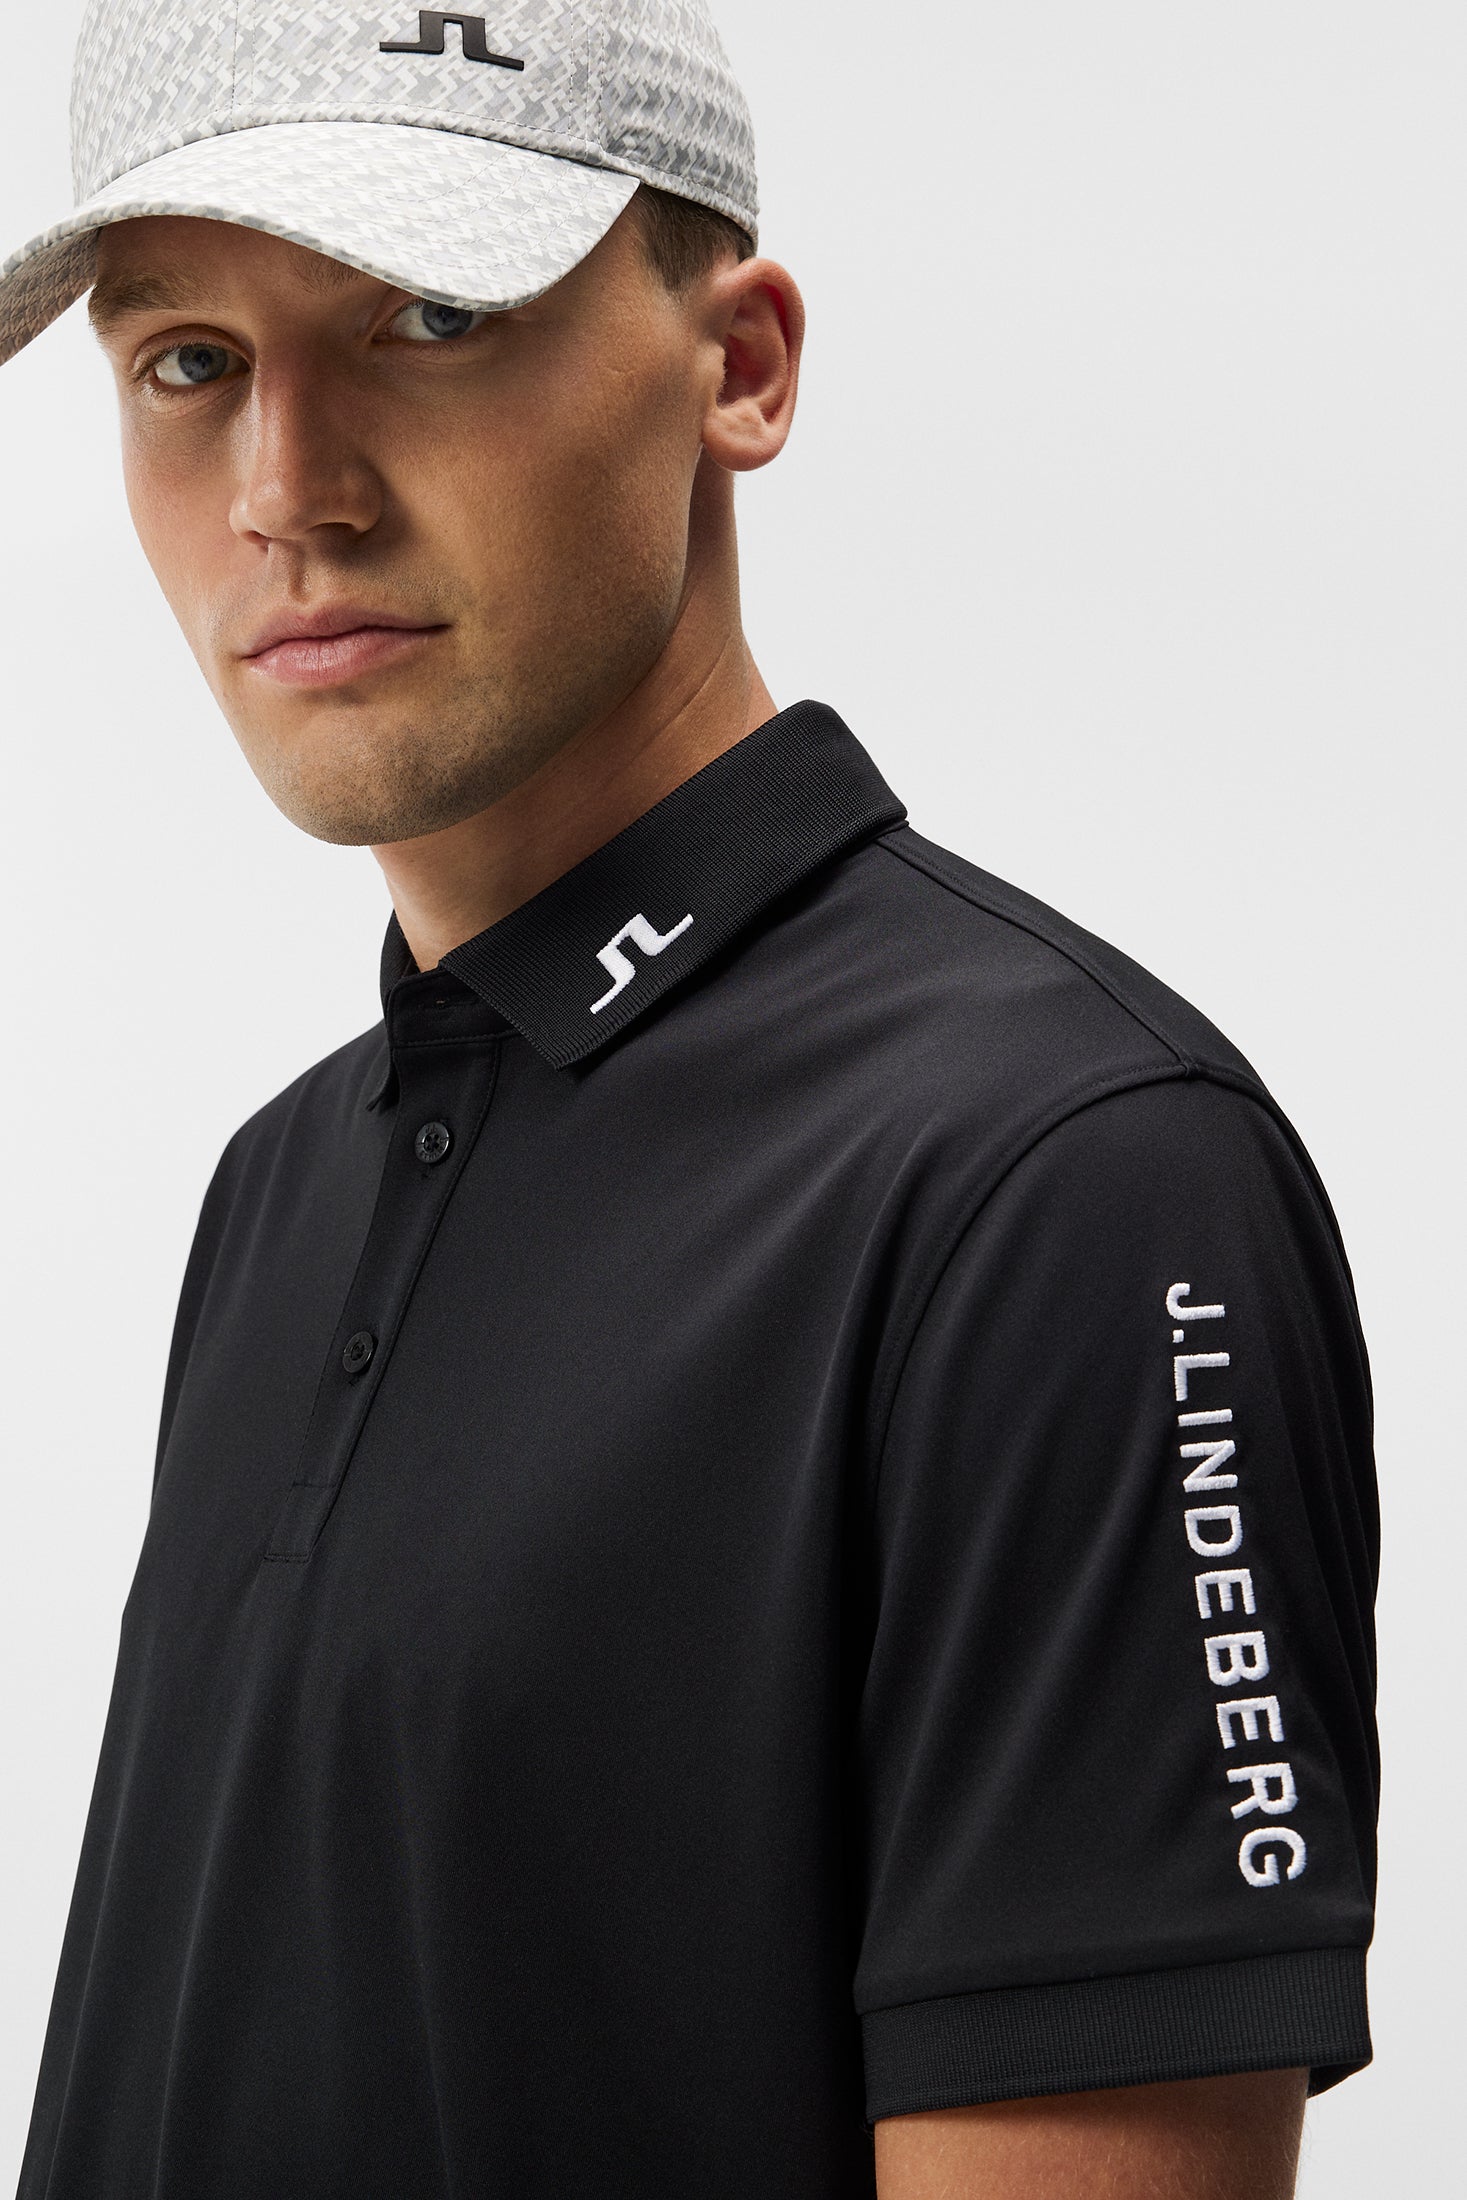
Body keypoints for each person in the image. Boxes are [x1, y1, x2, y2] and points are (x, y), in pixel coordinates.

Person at [1, 3, 1379, 2195]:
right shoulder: (277, 1182)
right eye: (187, 360)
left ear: (737, 363)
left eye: (432, 314)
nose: (285, 490)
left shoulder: (1068, 1185)